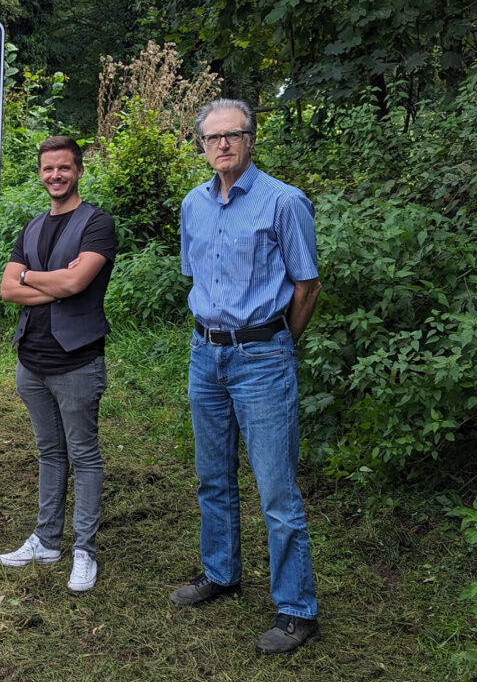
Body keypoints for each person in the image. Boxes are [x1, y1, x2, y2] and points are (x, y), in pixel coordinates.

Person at [169, 98, 322, 654]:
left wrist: (279, 343)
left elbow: (306, 287)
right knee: (213, 475)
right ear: (203, 146)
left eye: (233, 135)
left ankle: (297, 610)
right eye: (213, 138)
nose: (223, 145)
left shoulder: (284, 202)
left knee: (276, 489)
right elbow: (197, 276)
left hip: (262, 358)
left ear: (250, 139)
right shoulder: (193, 204)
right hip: (204, 354)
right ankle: (221, 573)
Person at [0, 136, 116, 593]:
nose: (55, 176)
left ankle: (84, 550)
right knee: (50, 453)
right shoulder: (30, 228)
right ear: (41, 172)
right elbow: (9, 289)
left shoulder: (96, 224)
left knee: (83, 455)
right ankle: (46, 540)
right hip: (32, 360)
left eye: (64, 168)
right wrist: (53, 282)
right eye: (48, 169)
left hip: (77, 361)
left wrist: (33, 277)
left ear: (79, 170)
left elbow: (78, 281)